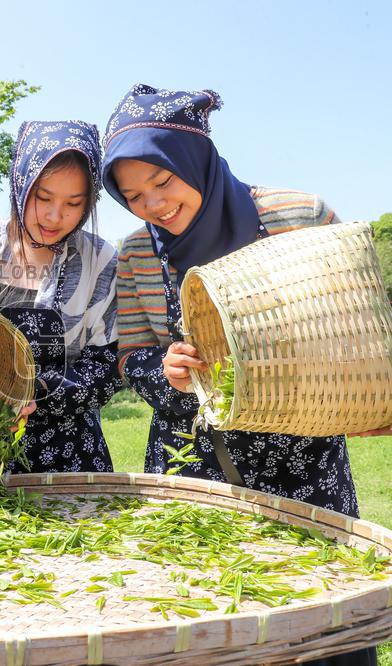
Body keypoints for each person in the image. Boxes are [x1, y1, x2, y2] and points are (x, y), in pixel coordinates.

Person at [103, 85, 375, 665]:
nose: (152, 204)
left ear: (194, 160)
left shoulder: (297, 215)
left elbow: (360, 320)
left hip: (302, 458)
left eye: (162, 181)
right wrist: (166, 372)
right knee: (207, 620)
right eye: (132, 195)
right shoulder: (135, 255)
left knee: (318, 612)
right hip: (199, 462)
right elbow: (131, 355)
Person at [0, 120, 120, 476]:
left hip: (68, 456)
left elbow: (107, 367)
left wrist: (35, 390)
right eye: (43, 197)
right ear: (20, 184)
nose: (54, 216)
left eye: (73, 203)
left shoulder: (100, 261)